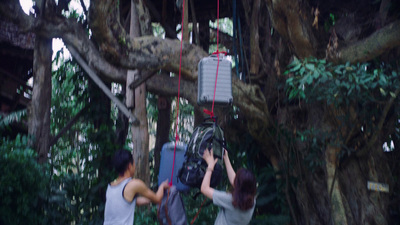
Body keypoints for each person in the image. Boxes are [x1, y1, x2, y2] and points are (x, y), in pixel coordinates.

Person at [104, 149, 170, 225]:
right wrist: (162, 186)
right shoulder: (134, 184)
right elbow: (157, 199)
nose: (135, 166)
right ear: (129, 166)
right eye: (134, 163)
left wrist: (150, 199)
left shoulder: (111, 186)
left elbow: (133, 202)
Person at [201, 148, 257, 225]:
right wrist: (226, 158)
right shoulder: (252, 201)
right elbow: (236, 182)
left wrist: (210, 166)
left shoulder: (230, 200)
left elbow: (204, 189)